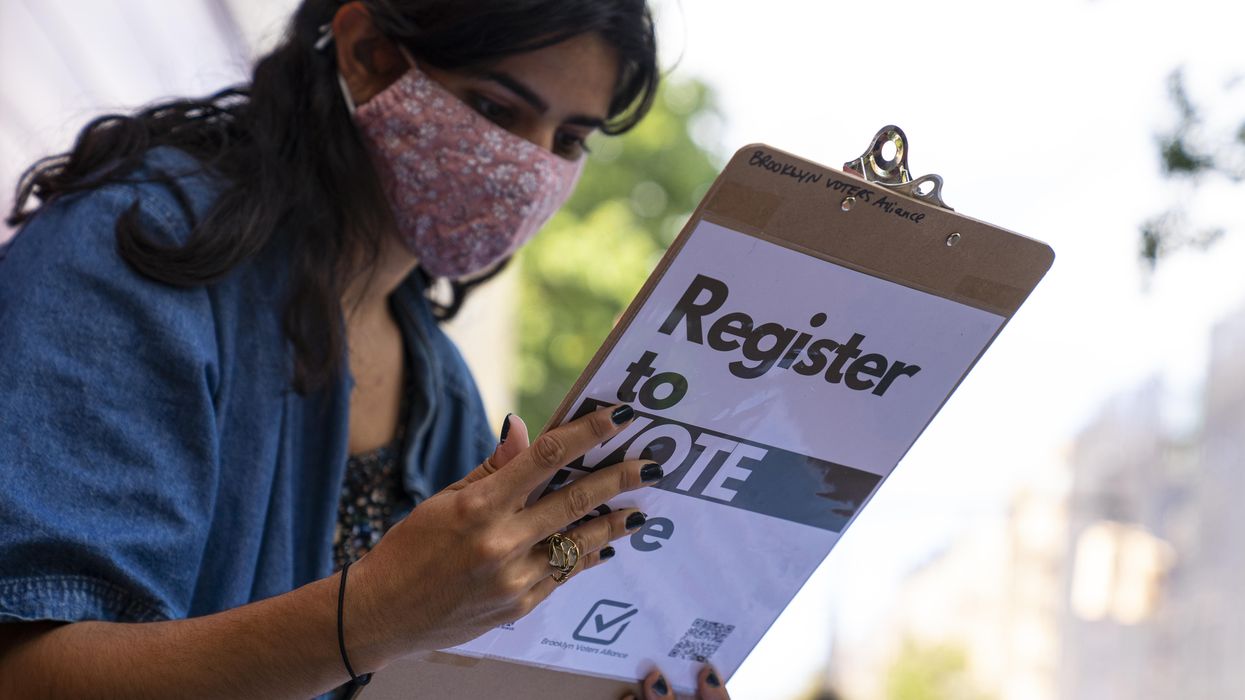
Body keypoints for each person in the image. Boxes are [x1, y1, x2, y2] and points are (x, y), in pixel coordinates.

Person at [0, 1, 729, 698]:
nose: (530, 167)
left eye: (568, 140)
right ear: (366, 52)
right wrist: (371, 615)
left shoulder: (443, 394)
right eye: (495, 109)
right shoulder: (140, 252)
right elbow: (27, 675)